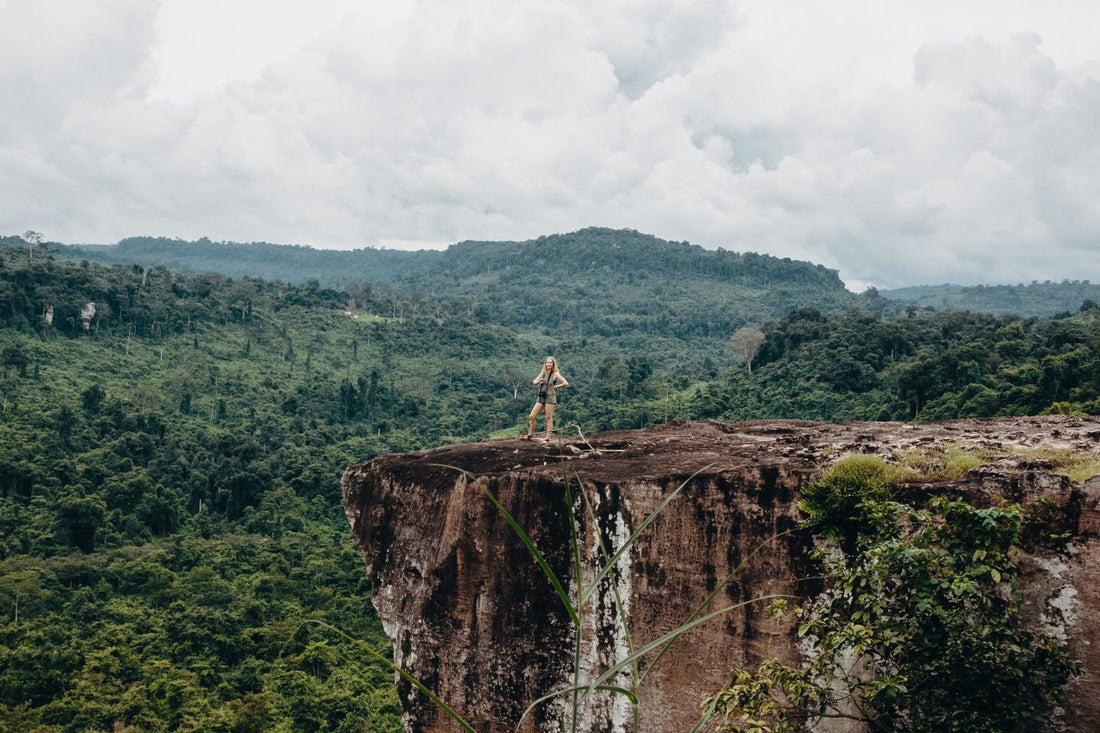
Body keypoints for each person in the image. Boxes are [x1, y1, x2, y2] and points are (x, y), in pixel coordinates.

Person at [526, 356, 569, 440]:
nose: (549, 364)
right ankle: (530, 434)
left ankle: (548, 438)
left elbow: (565, 383)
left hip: (550, 397)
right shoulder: (543, 372)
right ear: (545, 363)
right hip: (541, 396)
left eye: (550, 362)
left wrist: (556, 387)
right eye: (547, 362)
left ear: (553, 364)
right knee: (532, 416)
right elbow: (534, 382)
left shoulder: (555, 374)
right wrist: (538, 381)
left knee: (548, 418)